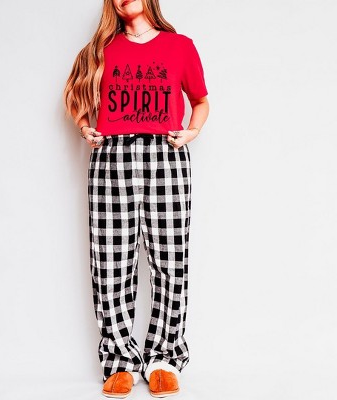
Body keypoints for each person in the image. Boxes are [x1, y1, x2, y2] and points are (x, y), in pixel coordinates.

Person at [63, 0, 209, 397]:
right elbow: (75, 95)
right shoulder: (99, 50)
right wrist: (84, 128)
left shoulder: (180, 46)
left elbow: (200, 101)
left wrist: (192, 132)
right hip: (112, 156)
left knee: (170, 259)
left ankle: (164, 358)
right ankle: (119, 360)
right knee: (110, 260)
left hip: (166, 155)